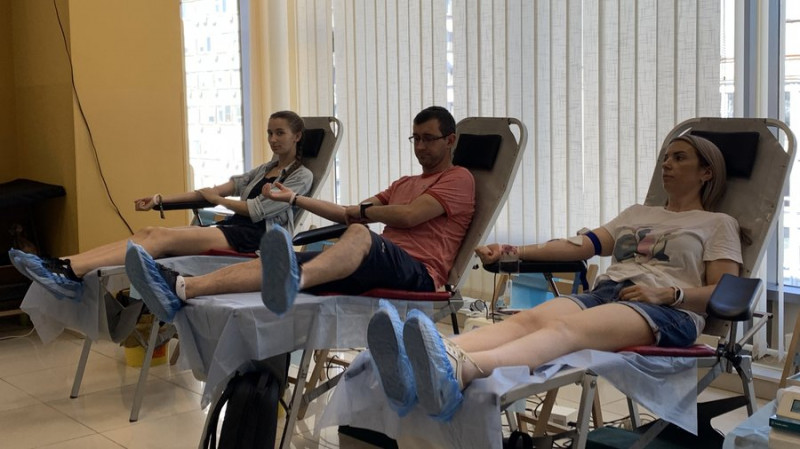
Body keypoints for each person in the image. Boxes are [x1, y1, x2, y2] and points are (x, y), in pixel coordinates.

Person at [366, 134, 743, 421]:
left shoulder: (717, 223)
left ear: (706, 172)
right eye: (665, 157)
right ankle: (422, 359)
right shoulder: (637, 213)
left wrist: (670, 294)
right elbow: (579, 246)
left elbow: (725, 292)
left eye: (679, 158)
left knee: (564, 331)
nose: (667, 165)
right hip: (608, 293)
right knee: (528, 320)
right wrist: (511, 251)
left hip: (667, 310)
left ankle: (457, 372)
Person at [125, 106, 476, 322]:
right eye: (415, 139)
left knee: (358, 234)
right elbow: (346, 212)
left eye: (428, 139)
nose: (420, 146)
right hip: (380, 265)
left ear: (450, 140)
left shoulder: (459, 179)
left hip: (419, 273)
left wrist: (364, 213)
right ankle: (184, 287)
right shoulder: (404, 183)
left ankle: (294, 282)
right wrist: (294, 199)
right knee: (277, 261)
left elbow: (409, 216)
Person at [10, 110, 313, 301]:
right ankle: (62, 264)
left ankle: (70, 273)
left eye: (280, 133)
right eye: (270, 133)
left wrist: (218, 201)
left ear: (297, 136)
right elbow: (208, 192)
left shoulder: (302, 176)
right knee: (148, 231)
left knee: (161, 239)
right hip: (235, 228)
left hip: (258, 239)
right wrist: (160, 200)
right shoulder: (263, 170)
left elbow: (257, 210)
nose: (273, 139)